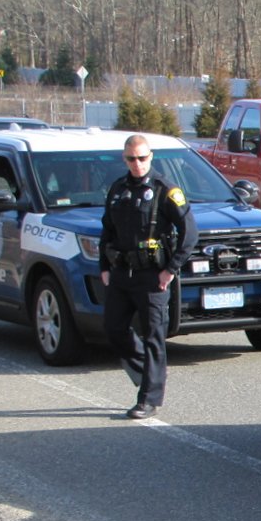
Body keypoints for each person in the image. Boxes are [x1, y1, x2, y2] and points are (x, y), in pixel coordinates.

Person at [99, 134, 198, 419]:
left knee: (154, 336)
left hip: (153, 276)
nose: (137, 164)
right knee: (114, 329)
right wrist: (103, 266)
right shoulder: (118, 189)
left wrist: (171, 269)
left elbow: (190, 233)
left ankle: (149, 399)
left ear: (150, 157)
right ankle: (151, 373)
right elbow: (107, 230)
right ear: (124, 158)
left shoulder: (165, 190)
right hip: (121, 273)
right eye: (131, 159)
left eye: (142, 158)